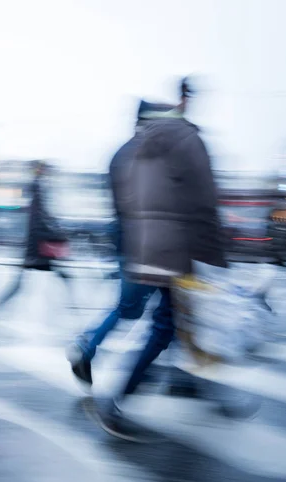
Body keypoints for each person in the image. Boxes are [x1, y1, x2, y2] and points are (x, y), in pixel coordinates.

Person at [95, 78, 226, 441]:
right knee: (168, 325)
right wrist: (216, 254)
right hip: (177, 249)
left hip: (145, 247)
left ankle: (184, 387)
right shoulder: (189, 140)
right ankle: (118, 400)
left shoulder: (140, 148)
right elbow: (204, 201)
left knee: (169, 324)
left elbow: (127, 200)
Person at [67, 101, 175, 386]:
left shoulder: (122, 153)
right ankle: (154, 373)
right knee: (167, 311)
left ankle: (89, 347)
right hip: (151, 244)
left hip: (128, 239)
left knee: (134, 307)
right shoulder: (150, 156)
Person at [0, 161, 75, 334]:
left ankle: (70, 310)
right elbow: (40, 221)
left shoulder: (34, 189)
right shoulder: (36, 190)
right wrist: (56, 234)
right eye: (44, 170)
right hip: (37, 248)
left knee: (59, 277)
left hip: (36, 247)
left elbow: (41, 219)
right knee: (24, 285)